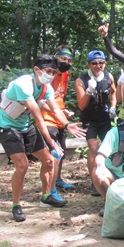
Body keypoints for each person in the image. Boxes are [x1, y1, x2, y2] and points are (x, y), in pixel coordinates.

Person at [0, 54, 85, 222]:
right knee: (22, 165)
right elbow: (38, 117)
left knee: (49, 161)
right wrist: (52, 143)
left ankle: (46, 197)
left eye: (53, 72)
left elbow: (56, 110)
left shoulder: (46, 87)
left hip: (23, 125)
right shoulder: (24, 84)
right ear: (36, 70)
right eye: (48, 71)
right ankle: (16, 205)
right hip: (7, 127)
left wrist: (67, 125)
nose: (50, 75)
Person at [75, 50, 117, 196]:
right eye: (94, 63)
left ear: (105, 64)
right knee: (93, 148)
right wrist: (88, 91)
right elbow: (81, 105)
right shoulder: (81, 80)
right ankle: (95, 181)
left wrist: (113, 106)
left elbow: (114, 92)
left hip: (104, 116)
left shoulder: (108, 76)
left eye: (101, 62)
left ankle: (108, 175)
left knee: (108, 147)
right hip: (89, 118)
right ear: (89, 64)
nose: (98, 65)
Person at [40, 46, 76, 203]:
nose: (66, 62)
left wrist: (64, 111)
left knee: (61, 151)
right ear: (56, 57)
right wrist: (56, 112)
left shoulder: (66, 75)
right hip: (47, 117)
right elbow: (42, 99)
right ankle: (50, 190)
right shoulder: (49, 75)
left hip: (61, 117)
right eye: (63, 59)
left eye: (69, 60)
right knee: (54, 154)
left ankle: (58, 179)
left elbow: (60, 96)